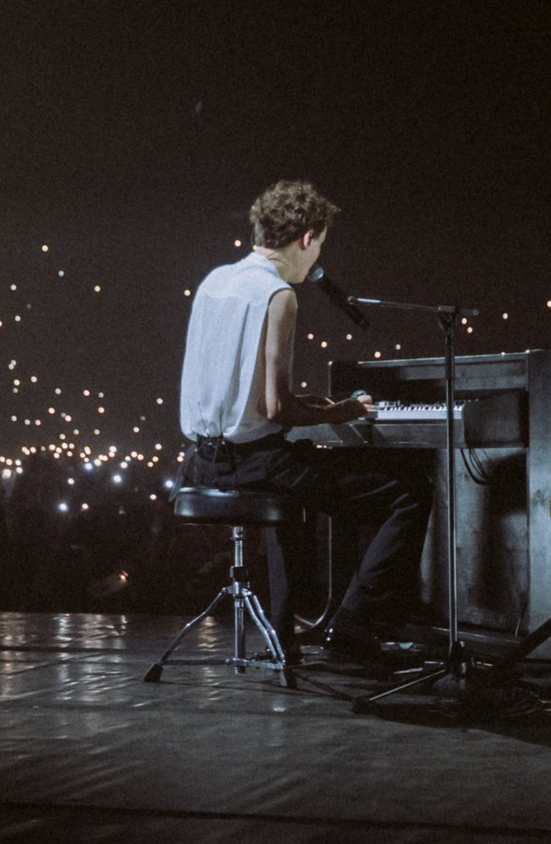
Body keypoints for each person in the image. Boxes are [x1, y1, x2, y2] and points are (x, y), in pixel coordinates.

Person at [177, 179, 431, 667]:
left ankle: (285, 636)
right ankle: (353, 626)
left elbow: (242, 390)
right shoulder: (278, 295)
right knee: (409, 492)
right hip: (252, 465)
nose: (315, 263)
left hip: (200, 463)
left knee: (295, 478)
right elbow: (277, 412)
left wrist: (308, 403)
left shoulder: (215, 281)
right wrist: (343, 411)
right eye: (319, 248)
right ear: (307, 238)